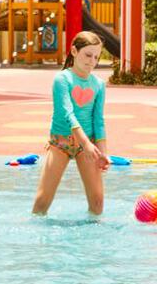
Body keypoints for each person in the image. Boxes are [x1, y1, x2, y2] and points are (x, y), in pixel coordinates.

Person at [32, 31, 110, 216]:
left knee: (98, 203)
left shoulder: (98, 84)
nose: (92, 61)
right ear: (74, 51)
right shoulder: (62, 79)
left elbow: (98, 121)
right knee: (42, 202)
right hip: (61, 144)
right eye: (88, 55)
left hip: (88, 146)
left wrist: (103, 153)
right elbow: (67, 114)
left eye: (96, 57)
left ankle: (91, 241)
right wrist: (87, 144)